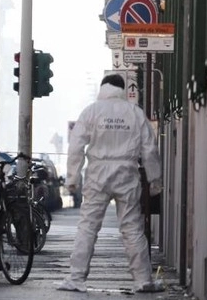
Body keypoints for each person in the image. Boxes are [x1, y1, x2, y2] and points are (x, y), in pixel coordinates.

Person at [57, 74, 164, 293]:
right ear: (122, 89)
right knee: (133, 228)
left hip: (98, 172)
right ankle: (143, 280)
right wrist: (155, 179)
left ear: (103, 88)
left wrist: (72, 179)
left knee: (88, 226)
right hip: (127, 172)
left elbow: (76, 146)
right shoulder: (135, 113)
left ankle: (76, 278)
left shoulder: (91, 111)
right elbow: (149, 148)